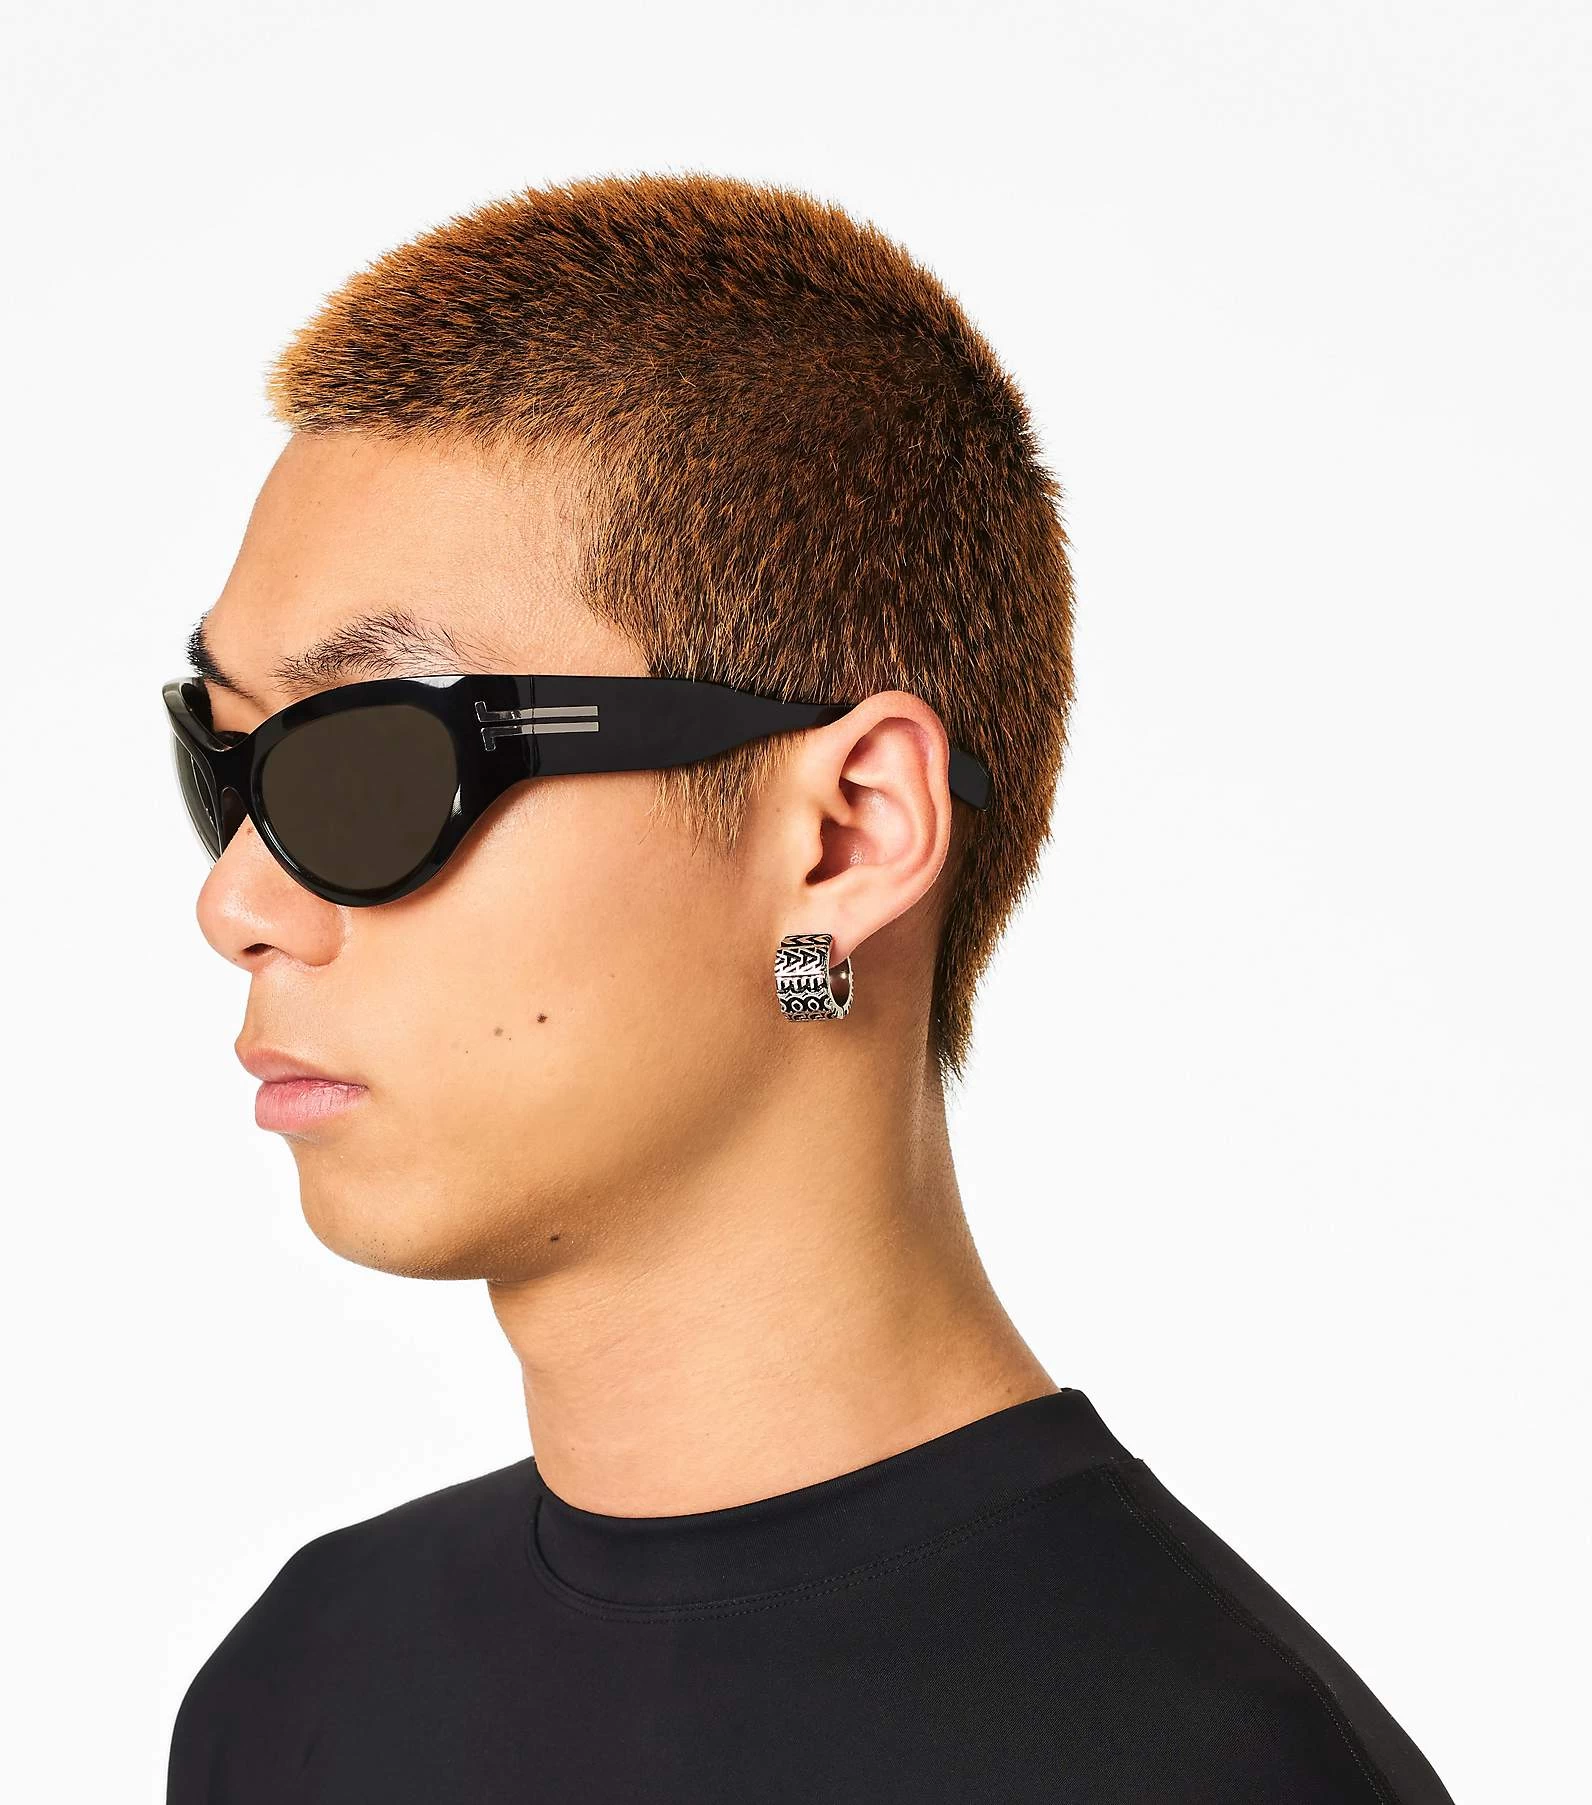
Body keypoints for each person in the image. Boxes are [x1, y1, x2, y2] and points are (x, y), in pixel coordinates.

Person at [162, 172, 1453, 1804]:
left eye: (367, 764)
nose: (236, 902)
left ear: (846, 839)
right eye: (227, 768)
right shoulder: (304, 1687)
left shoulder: (1213, 1771)